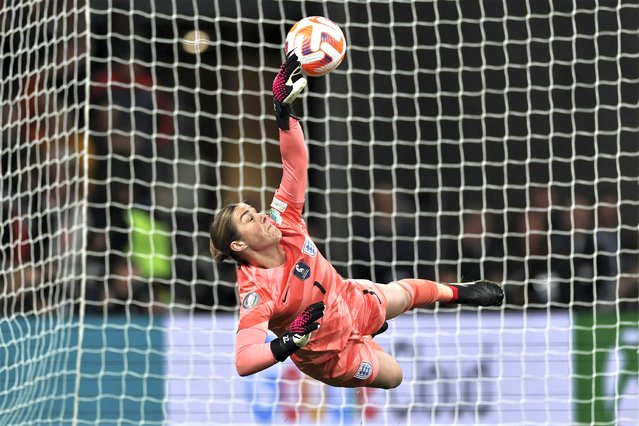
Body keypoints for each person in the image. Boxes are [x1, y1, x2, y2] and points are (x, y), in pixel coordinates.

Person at [208, 53, 504, 389]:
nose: (261, 215)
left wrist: (283, 113)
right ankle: (368, 339)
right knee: (394, 376)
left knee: (400, 295)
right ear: (239, 245)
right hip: (331, 355)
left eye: (255, 209)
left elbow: (295, 164)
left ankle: (460, 293)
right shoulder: (258, 293)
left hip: (348, 298)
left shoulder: (283, 219)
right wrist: (291, 340)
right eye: (250, 218)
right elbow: (244, 361)